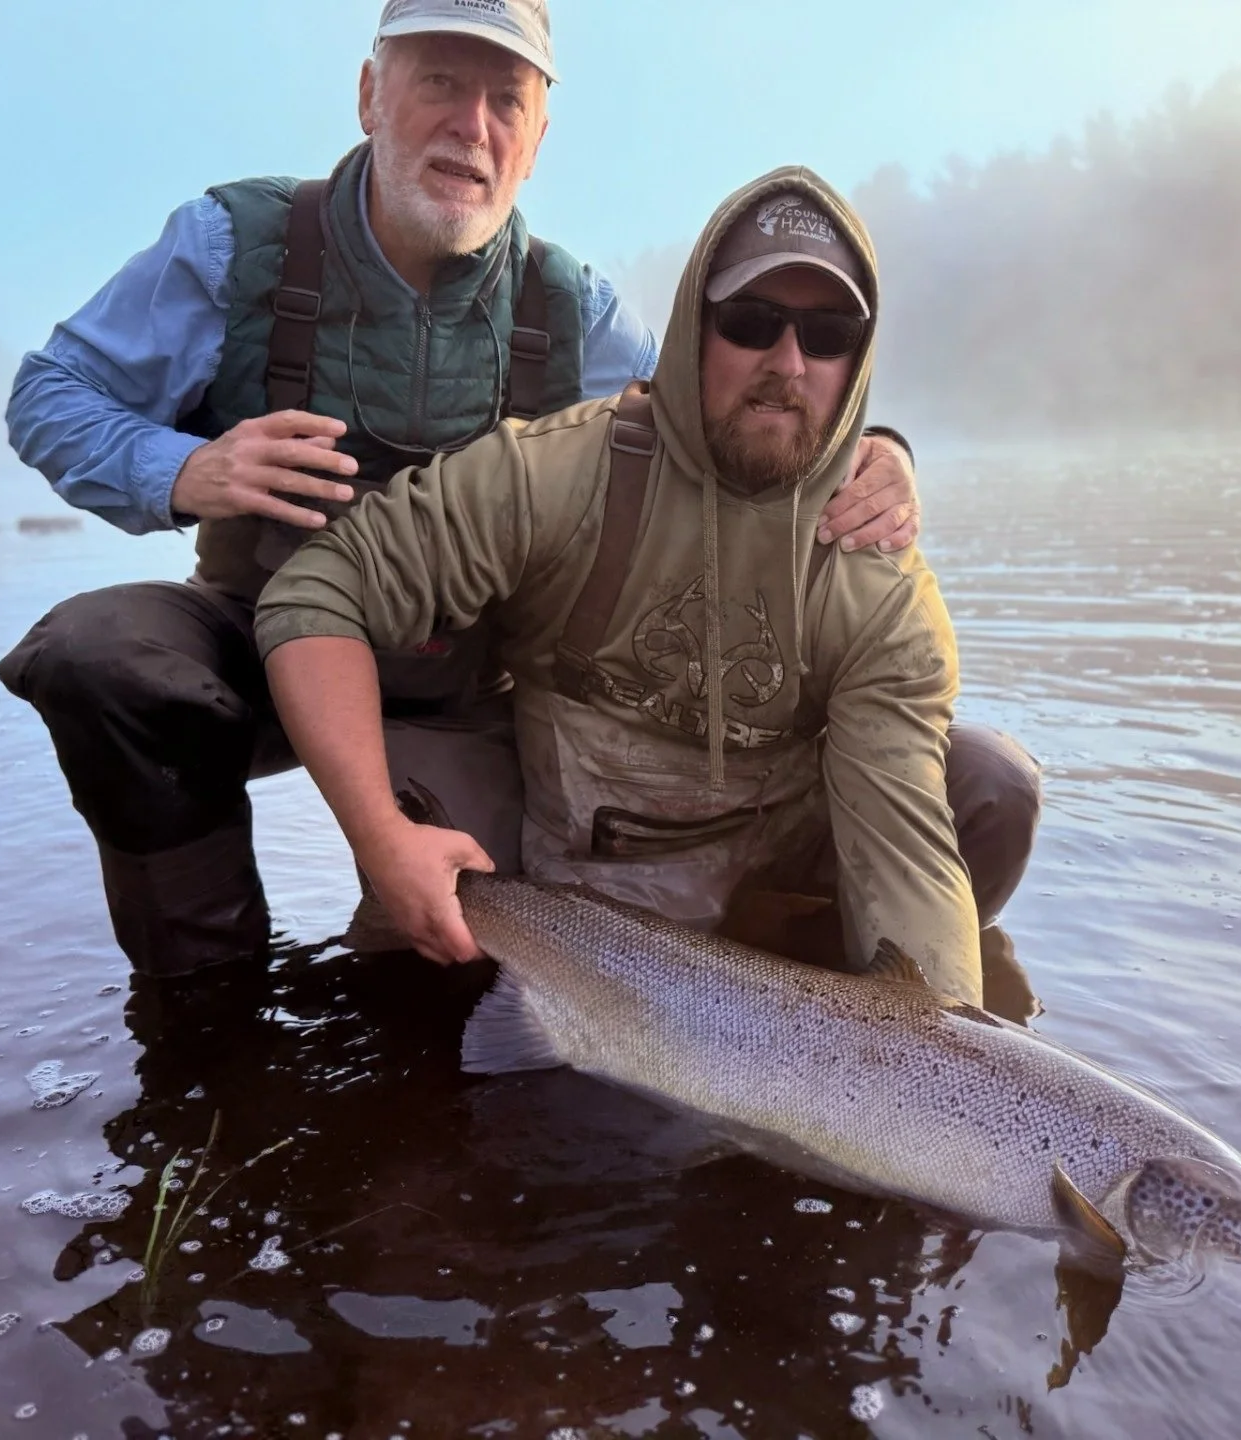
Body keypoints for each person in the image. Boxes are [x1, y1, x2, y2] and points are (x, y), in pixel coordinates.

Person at [0, 0, 930, 978]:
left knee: (456, 951)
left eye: (506, 101)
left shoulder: (573, 307)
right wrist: (188, 469)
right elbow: (48, 397)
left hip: (472, 688)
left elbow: (722, 424)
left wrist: (882, 450)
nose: (470, 126)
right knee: (97, 657)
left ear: (535, 144)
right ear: (370, 94)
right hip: (251, 633)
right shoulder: (233, 245)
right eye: (440, 81)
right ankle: (207, 1002)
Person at [259, 168, 1040, 1005]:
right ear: (691, 329)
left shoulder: (879, 579)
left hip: (772, 857)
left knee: (991, 784)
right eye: (751, 322)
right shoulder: (553, 473)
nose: (787, 361)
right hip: (571, 868)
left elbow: (903, 851)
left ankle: (808, 994)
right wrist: (380, 836)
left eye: (828, 332)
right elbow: (316, 592)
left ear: (859, 359)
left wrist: (939, 1031)